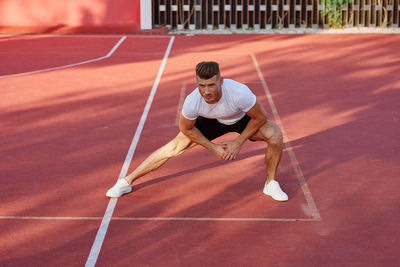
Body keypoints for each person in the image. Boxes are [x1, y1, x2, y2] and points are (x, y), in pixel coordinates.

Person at [106, 61, 288, 201]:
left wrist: (237, 143)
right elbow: (185, 128)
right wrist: (213, 147)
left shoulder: (239, 92)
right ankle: (126, 181)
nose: (206, 91)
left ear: (221, 81)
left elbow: (260, 117)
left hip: (241, 119)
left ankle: (270, 184)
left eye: (211, 85)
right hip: (212, 122)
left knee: (275, 135)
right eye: (202, 85)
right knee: (174, 147)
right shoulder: (193, 101)